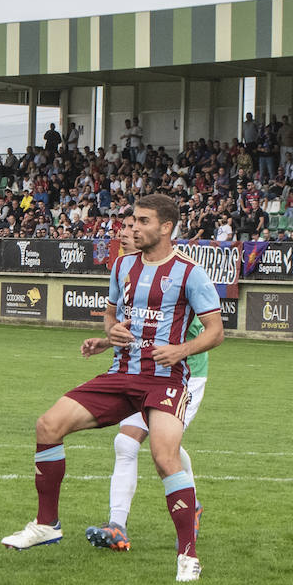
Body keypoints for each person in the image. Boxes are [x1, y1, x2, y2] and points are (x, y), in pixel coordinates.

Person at [1, 193, 224, 582]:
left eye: (142, 221)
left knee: (163, 456)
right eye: (132, 220)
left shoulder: (190, 273)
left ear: (166, 228)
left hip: (165, 380)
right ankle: (46, 525)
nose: (133, 227)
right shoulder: (123, 266)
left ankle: (188, 555)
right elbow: (112, 315)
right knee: (47, 426)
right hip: (121, 374)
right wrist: (110, 333)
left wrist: (181, 350)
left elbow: (216, 331)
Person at [82, 212, 208, 552]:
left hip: (184, 374)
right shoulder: (128, 270)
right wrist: (108, 340)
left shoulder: (183, 272)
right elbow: (137, 328)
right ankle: (118, 526)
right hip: (140, 373)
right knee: (138, 444)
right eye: (123, 229)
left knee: (150, 446)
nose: (126, 234)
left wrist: (180, 350)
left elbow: (190, 330)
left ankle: (183, 507)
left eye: (132, 228)